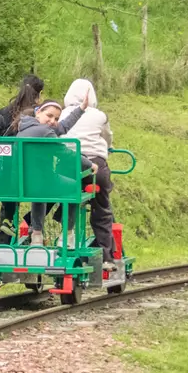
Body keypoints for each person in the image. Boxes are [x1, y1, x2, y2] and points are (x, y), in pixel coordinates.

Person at [0, 74, 43, 243]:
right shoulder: (36, 116)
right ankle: (25, 224)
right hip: (24, 174)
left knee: (4, 179)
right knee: (46, 193)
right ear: (39, 94)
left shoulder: (4, 112)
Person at [10, 100, 85, 246]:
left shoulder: (24, 127)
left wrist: (80, 109)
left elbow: (62, 127)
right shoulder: (45, 132)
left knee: (39, 191)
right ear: (38, 112)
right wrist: (90, 164)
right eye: (49, 116)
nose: (53, 121)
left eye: (56, 118)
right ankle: (67, 235)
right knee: (75, 187)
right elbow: (65, 154)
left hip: (20, 184)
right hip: (41, 183)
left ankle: (37, 236)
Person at [61, 78, 117, 252]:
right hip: (94, 167)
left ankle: (66, 235)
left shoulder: (62, 114)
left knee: (67, 198)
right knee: (101, 208)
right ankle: (106, 254)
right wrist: (108, 148)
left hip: (67, 167)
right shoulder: (99, 115)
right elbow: (107, 136)